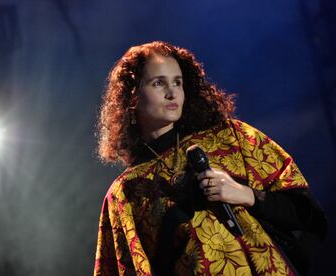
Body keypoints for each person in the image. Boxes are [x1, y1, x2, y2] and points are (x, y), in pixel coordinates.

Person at [94, 41, 326, 275]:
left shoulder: (231, 137)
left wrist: (247, 195)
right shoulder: (125, 191)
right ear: (132, 96)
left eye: (177, 82)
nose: (172, 92)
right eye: (158, 83)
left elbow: (307, 213)